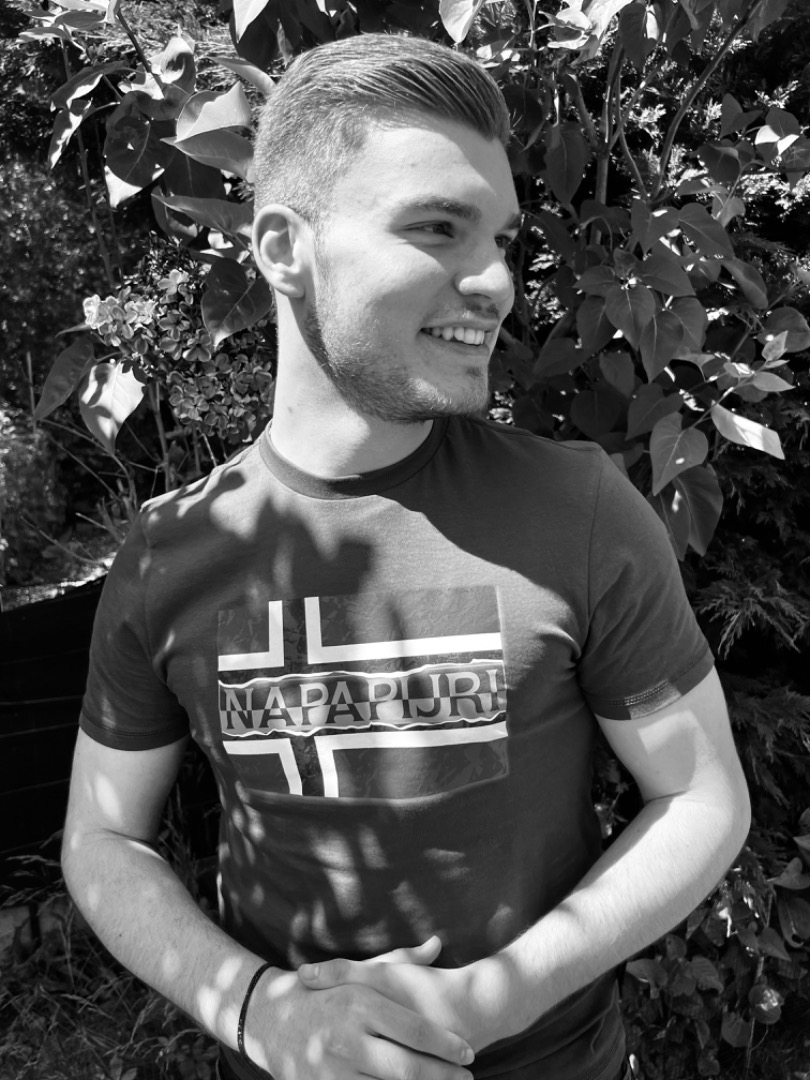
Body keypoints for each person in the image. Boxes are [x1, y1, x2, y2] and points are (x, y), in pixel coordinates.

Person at [62, 33, 751, 1080]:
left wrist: (488, 1001)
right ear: (285, 249)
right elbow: (104, 838)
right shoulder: (171, 551)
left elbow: (702, 798)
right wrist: (258, 1013)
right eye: (437, 227)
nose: (498, 282)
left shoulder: (577, 512)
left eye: (502, 239)